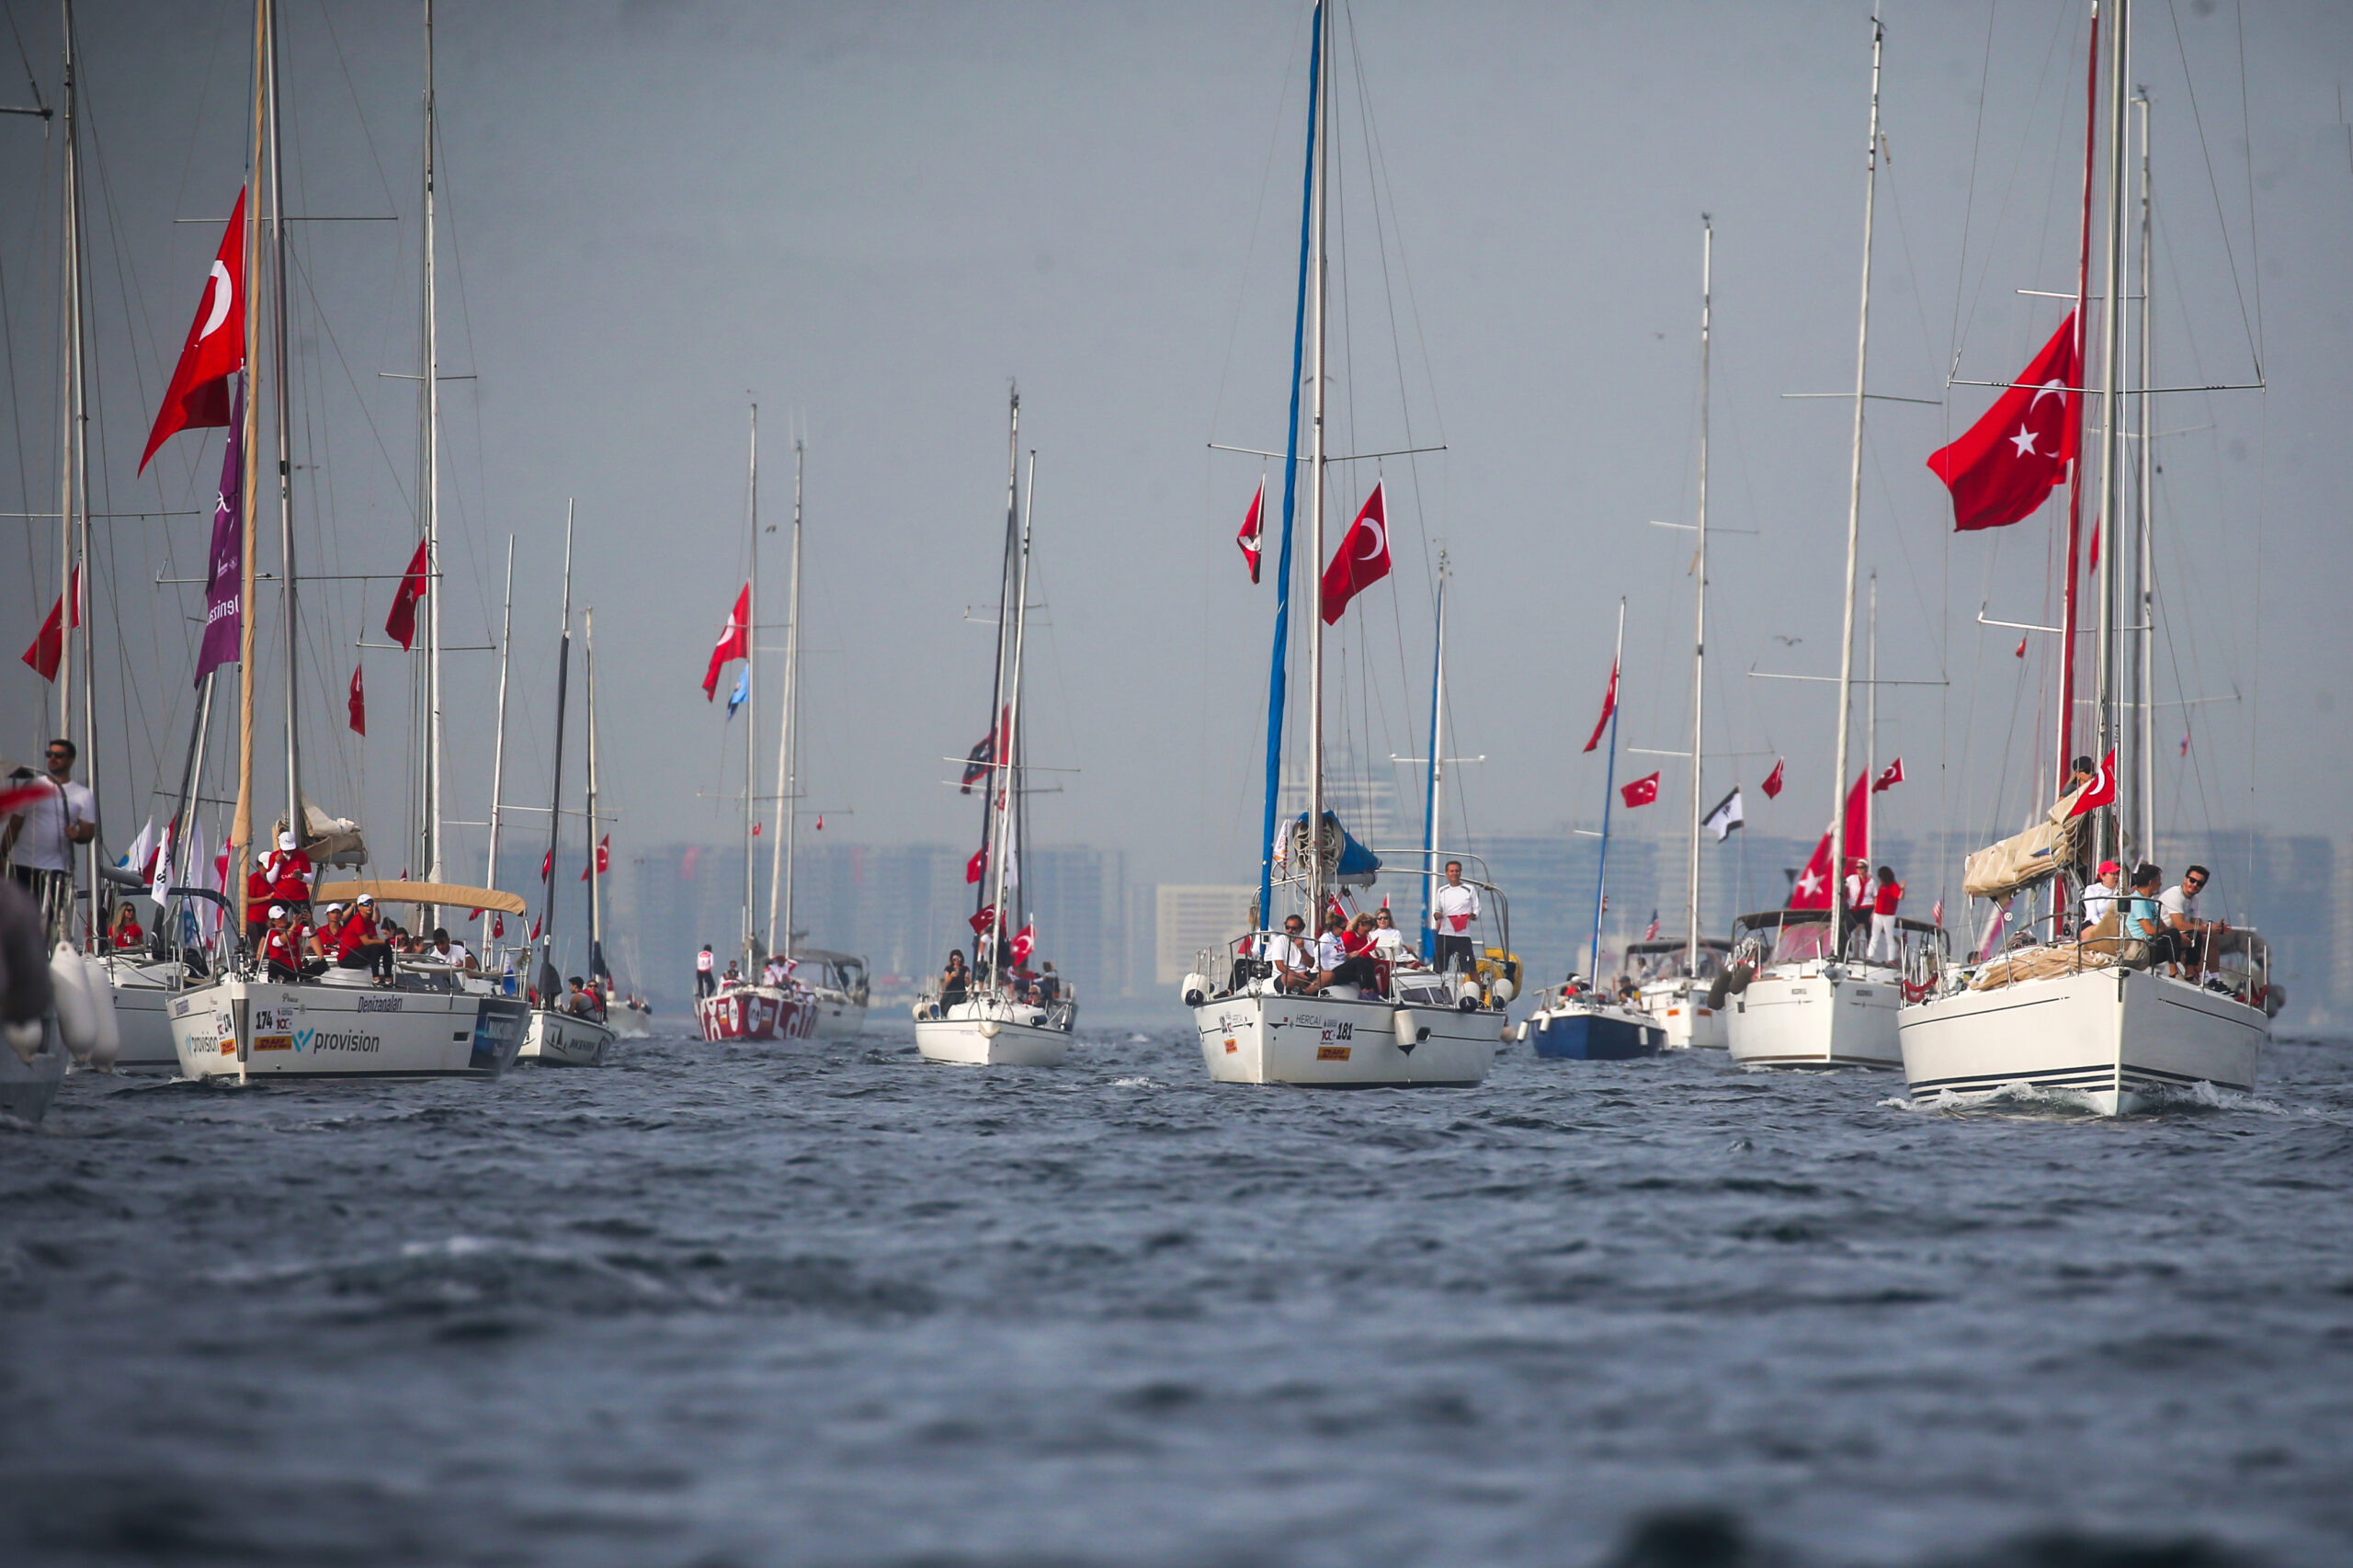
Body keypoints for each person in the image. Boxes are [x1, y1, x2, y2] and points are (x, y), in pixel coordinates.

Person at [2, 739, 96, 947]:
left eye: (58, 755)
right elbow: (15, 824)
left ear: (70, 760)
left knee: (47, 920)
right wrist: (2, 853)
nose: (52, 759)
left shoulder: (82, 795)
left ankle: (42, 957)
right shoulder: (33, 787)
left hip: (55, 868)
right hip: (23, 864)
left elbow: (88, 833)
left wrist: (77, 834)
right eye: (50, 754)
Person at [2160, 864, 2226, 981]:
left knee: (2209, 937)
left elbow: (2198, 923)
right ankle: (2203, 977)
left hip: (2179, 934)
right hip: (2165, 935)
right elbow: (2179, 924)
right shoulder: (2175, 894)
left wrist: (2216, 928)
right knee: (2198, 936)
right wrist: (2208, 929)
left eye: (2199, 883)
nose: (2195, 885)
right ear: (2185, 879)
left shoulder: (2194, 899)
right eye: (2192, 880)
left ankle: (2215, 978)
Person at [2119, 864, 2173, 968]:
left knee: (2186, 935)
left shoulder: (2150, 900)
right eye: (2159, 880)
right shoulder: (2139, 901)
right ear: (2151, 882)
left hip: (2152, 941)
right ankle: (2173, 970)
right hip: (2143, 946)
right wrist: (2171, 935)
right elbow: (2149, 930)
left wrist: (2179, 935)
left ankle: (2190, 972)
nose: (2161, 884)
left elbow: (2162, 925)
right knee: (2173, 936)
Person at [1314, 909, 1380, 993]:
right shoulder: (1327, 938)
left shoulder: (1338, 938)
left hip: (1341, 965)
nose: (1345, 930)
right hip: (1333, 970)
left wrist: (1349, 955)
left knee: (1369, 961)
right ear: (1335, 927)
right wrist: (1319, 969)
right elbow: (1316, 953)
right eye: (1343, 928)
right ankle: (1364, 989)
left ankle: (1374, 991)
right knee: (1359, 961)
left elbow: (1341, 955)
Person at [1431, 862, 1480, 973]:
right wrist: (1437, 915)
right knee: (1438, 969)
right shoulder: (1442, 890)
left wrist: (1473, 915)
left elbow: (1477, 908)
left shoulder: (1469, 889)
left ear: (1460, 873)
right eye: (1452, 871)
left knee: (1469, 969)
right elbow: (1437, 910)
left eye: (1457, 871)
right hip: (1444, 934)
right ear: (1446, 873)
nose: (1455, 873)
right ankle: (1441, 988)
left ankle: (1472, 988)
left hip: (1462, 935)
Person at [261, 904, 324, 983]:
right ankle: (293, 978)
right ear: (273, 921)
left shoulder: (292, 928)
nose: (283, 919)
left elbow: (311, 932)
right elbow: (279, 942)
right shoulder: (271, 932)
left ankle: (300, 977)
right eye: (279, 918)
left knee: (322, 965)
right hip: (282, 969)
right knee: (274, 964)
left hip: (296, 970)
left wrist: (310, 922)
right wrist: (293, 926)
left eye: (284, 916)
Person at [260, 830, 313, 921]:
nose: (288, 851)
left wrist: (301, 877)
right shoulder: (274, 856)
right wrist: (277, 863)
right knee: (276, 922)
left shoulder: (302, 856)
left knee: (305, 922)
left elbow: (310, 879)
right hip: (281, 896)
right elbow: (271, 880)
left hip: (300, 896)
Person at [1260, 915, 1313, 993]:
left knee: (1327, 975)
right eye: (1287, 928)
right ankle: (1308, 991)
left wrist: (1302, 949)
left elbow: (1311, 964)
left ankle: (1307, 991)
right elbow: (1280, 966)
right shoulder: (1280, 940)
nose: (1290, 931)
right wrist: (1297, 976)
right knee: (1290, 979)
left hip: (1303, 974)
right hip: (1283, 976)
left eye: (1294, 928)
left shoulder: (1307, 940)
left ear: (1301, 929)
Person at [1867, 866, 1904, 965]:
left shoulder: (1893, 886)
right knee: (1874, 936)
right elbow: (1878, 901)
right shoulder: (1882, 886)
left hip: (1889, 916)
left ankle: (1891, 959)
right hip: (1878, 914)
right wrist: (1873, 913)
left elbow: (1900, 897)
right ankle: (1869, 956)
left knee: (1889, 937)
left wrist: (1902, 888)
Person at [2082, 860, 2122, 934]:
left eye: (2117, 874)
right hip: (2094, 924)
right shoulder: (2092, 889)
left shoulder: (2121, 891)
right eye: (2112, 874)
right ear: (2102, 876)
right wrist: (2105, 928)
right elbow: (2092, 915)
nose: (2116, 877)